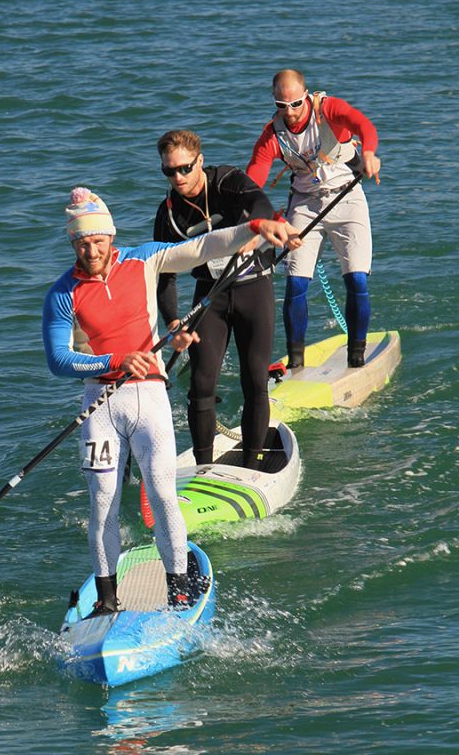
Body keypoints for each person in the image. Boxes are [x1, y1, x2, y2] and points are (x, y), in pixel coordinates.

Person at [43, 187, 293, 615]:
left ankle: (178, 585)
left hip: (149, 399)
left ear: (110, 237)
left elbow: (201, 246)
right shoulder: (62, 293)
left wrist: (255, 227)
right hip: (100, 402)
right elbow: (59, 359)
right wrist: (117, 359)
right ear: (72, 243)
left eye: (98, 241)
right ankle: (106, 600)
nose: (91, 249)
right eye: (82, 243)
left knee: (161, 493)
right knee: (102, 501)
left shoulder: (144, 259)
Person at [153, 130, 301, 469]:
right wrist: (174, 320)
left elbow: (261, 203)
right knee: (201, 385)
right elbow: (164, 274)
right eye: (169, 171)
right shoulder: (169, 214)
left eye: (184, 169)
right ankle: (203, 466)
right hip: (209, 297)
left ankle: (252, 464)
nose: (178, 177)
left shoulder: (228, 181)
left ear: (200, 162)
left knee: (254, 379)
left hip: (253, 287)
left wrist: (258, 226)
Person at [246, 68, 382, 368]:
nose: (290, 112)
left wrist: (370, 152)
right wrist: (255, 219)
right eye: (281, 106)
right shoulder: (272, 135)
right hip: (306, 205)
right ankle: (296, 363)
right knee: (295, 284)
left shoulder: (328, 109)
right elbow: (252, 182)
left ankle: (356, 358)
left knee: (357, 279)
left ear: (305, 96)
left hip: (346, 197)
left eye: (295, 104)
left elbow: (364, 125)